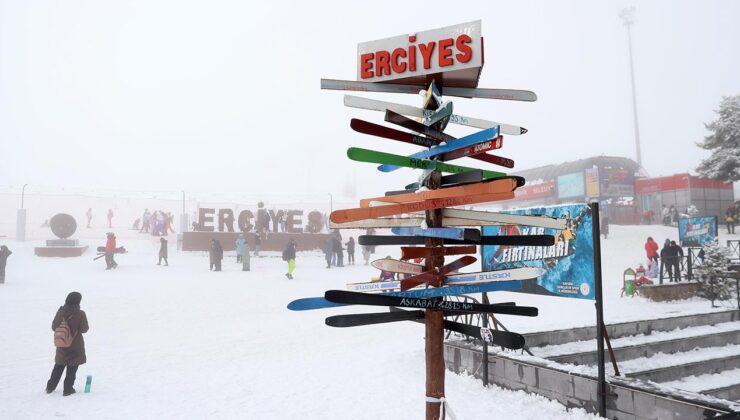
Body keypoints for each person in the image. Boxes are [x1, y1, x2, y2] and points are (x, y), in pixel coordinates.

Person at [46, 291, 89, 396]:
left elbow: (53, 327)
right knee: (72, 368)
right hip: (75, 345)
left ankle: (50, 387)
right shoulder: (80, 314)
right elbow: (84, 329)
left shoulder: (60, 311)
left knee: (59, 366)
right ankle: (68, 389)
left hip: (61, 343)